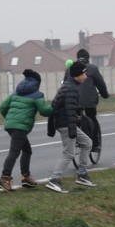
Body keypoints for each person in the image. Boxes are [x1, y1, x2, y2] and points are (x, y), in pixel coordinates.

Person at [0, 69, 53, 192]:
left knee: (27, 150)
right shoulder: (37, 95)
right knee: (14, 152)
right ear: (37, 83)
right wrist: (55, 108)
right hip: (20, 127)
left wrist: (10, 119)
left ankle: (25, 177)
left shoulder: (15, 93)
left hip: (11, 125)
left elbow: (2, 107)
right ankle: (5, 178)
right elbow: (45, 111)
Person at [47, 60, 96, 193]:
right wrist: (72, 130)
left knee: (87, 143)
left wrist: (76, 118)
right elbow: (69, 110)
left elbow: (60, 107)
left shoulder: (69, 86)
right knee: (68, 153)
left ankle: (82, 174)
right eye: (84, 74)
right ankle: (54, 180)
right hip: (66, 124)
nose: (86, 77)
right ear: (77, 75)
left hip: (66, 122)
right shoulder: (71, 89)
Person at [65, 49, 108, 152]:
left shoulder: (70, 69)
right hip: (89, 100)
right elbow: (101, 84)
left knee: (75, 119)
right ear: (88, 59)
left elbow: (64, 85)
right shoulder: (93, 68)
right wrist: (105, 95)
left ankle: (77, 139)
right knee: (92, 118)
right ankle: (95, 145)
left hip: (74, 99)